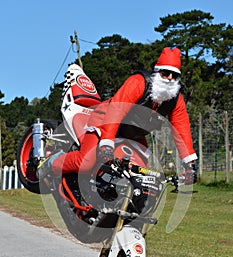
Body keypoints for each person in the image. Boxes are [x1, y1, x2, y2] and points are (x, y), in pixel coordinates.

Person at [38, 47, 197, 184]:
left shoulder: (175, 99)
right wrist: (106, 143)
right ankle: (51, 163)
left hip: (133, 134)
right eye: (165, 73)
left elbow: (181, 130)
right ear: (157, 72)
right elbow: (116, 110)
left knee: (143, 175)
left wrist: (189, 164)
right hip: (105, 122)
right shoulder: (139, 82)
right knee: (86, 162)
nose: (169, 78)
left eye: (174, 75)